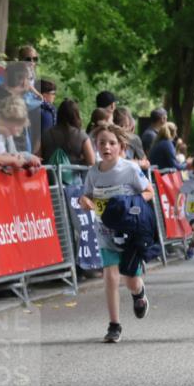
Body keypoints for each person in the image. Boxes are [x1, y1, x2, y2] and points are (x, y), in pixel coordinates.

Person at [78, 123, 153, 342]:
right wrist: (85, 201)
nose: (106, 147)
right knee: (110, 276)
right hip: (104, 232)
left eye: (112, 143)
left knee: (130, 280)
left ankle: (139, 293)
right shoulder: (93, 172)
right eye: (102, 143)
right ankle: (114, 325)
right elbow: (87, 195)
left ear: (121, 146)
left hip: (130, 232)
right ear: (96, 145)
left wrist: (127, 203)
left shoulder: (129, 169)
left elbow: (149, 192)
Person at [41, 99, 94, 167]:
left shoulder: (46, 134)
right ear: (76, 115)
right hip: (73, 175)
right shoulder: (81, 135)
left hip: (49, 175)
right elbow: (91, 161)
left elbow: (37, 157)